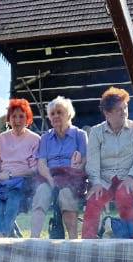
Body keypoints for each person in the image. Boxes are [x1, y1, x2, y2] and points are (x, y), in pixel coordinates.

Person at [83, 87, 133, 239]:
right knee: (94, 199)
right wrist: (96, 182)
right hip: (105, 180)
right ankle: (88, 241)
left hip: (132, 178)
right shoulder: (96, 132)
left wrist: (132, 177)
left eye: (125, 107)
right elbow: (92, 161)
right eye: (119, 109)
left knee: (123, 194)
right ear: (107, 113)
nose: (124, 112)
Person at [31, 96, 88, 239]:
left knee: (66, 195)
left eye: (59, 112)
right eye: (52, 114)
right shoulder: (45, 138)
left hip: (72, 178)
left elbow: (86, 159)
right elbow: (41, 163)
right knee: (41, 193)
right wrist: (50, 180)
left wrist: (76, 169)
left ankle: (73, 240)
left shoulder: (80, 135)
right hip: (51, 177)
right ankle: (33, 239)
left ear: (68, 114)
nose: (56, 116)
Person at [0, 99, 40, 238]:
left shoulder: (35, 139)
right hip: (3, 180)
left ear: (28, 119)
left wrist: (10, 175)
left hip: (23, 181)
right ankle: (1, 235)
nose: (17, 120)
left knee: (12, 199)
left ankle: (5, 235)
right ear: (9, 119)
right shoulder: (1, 138)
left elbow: (34, 169)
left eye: (21, 116)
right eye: (14, 116)